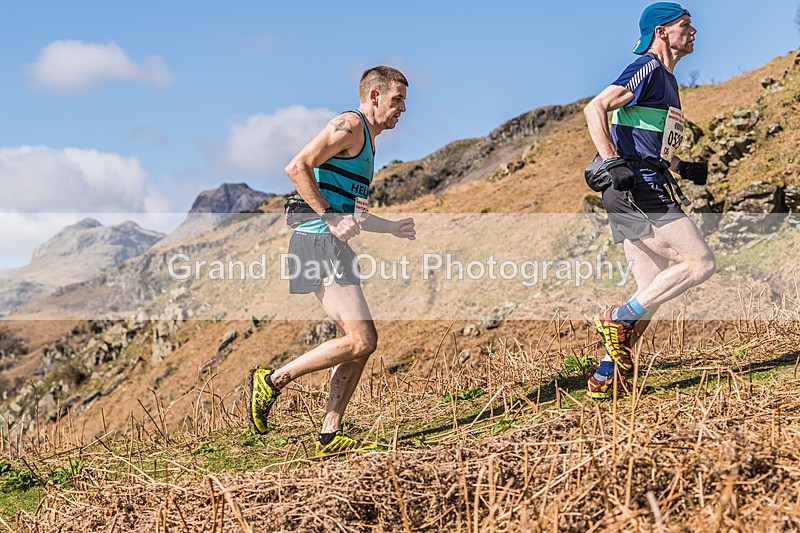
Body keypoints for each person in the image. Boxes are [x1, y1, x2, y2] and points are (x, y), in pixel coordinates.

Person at [249, 66, 415, 455]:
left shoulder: (367, 144)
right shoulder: (348, 125)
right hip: (315, 241)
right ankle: (272, 381)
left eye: (404, 101)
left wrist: (391, 228)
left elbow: (351, 214)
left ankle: (329, 434)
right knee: (362, 339)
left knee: (362, 343)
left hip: (331, 243)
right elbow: (296, 167)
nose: (403, 108)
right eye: (397, 99)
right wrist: (328, 215)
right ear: (374, 96)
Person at [582, 3, 715, 399]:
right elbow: (595, 107)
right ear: (661, 32)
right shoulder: (649, 67)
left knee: (652, 290)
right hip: (635, 184)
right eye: (685, 26)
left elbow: (650, 140)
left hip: (643, 179)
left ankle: (608, 373)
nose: (694, 32)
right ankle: (618, 317)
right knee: (700, 263)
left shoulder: (669, 80)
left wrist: (682, 166)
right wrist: (612, 161)